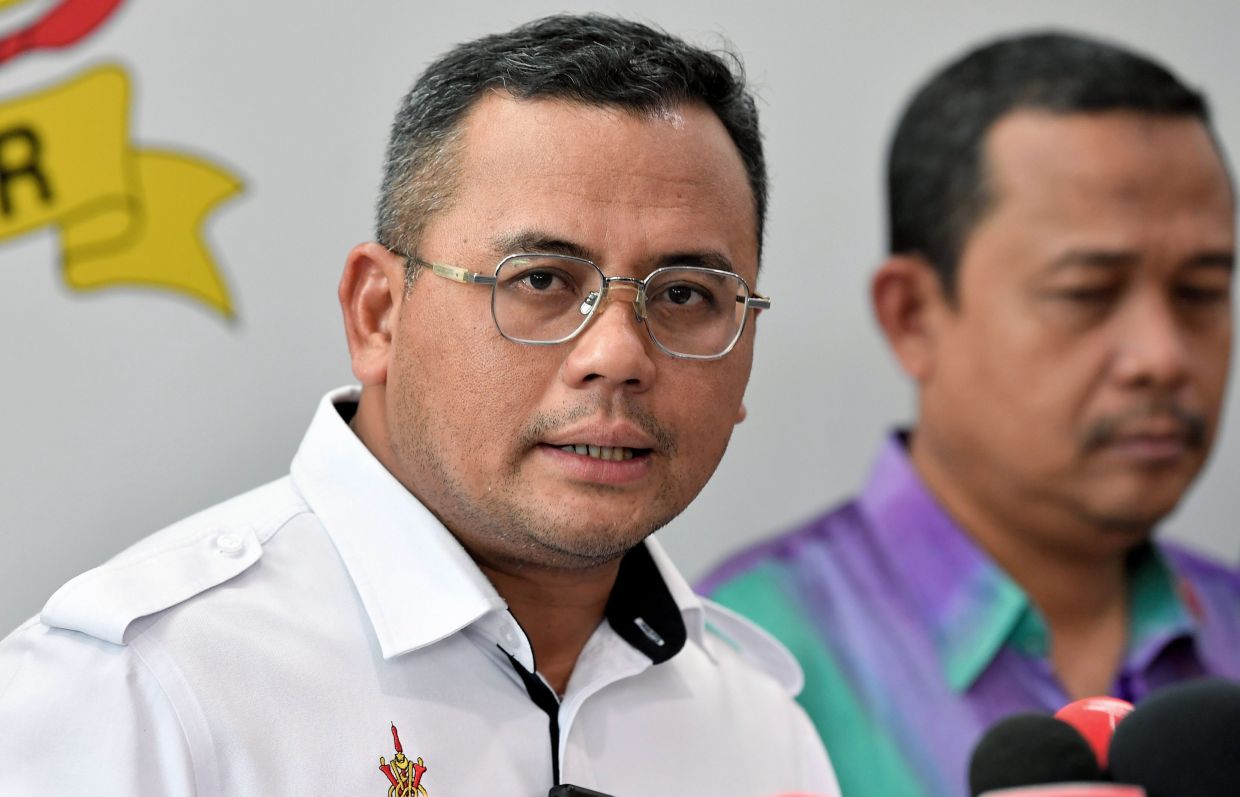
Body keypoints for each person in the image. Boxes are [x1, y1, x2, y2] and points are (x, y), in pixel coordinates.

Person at [0, 15, 839, 796]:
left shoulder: (761, 734)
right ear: (379, 314)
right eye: (540, 280)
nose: (617, 355)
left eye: (686, 293)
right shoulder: (139, 690)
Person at [699, 30, 1240, 797]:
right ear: (914, 316)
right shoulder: (741, 664)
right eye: (1087, 293)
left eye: (1202, 292)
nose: (1162, 355)